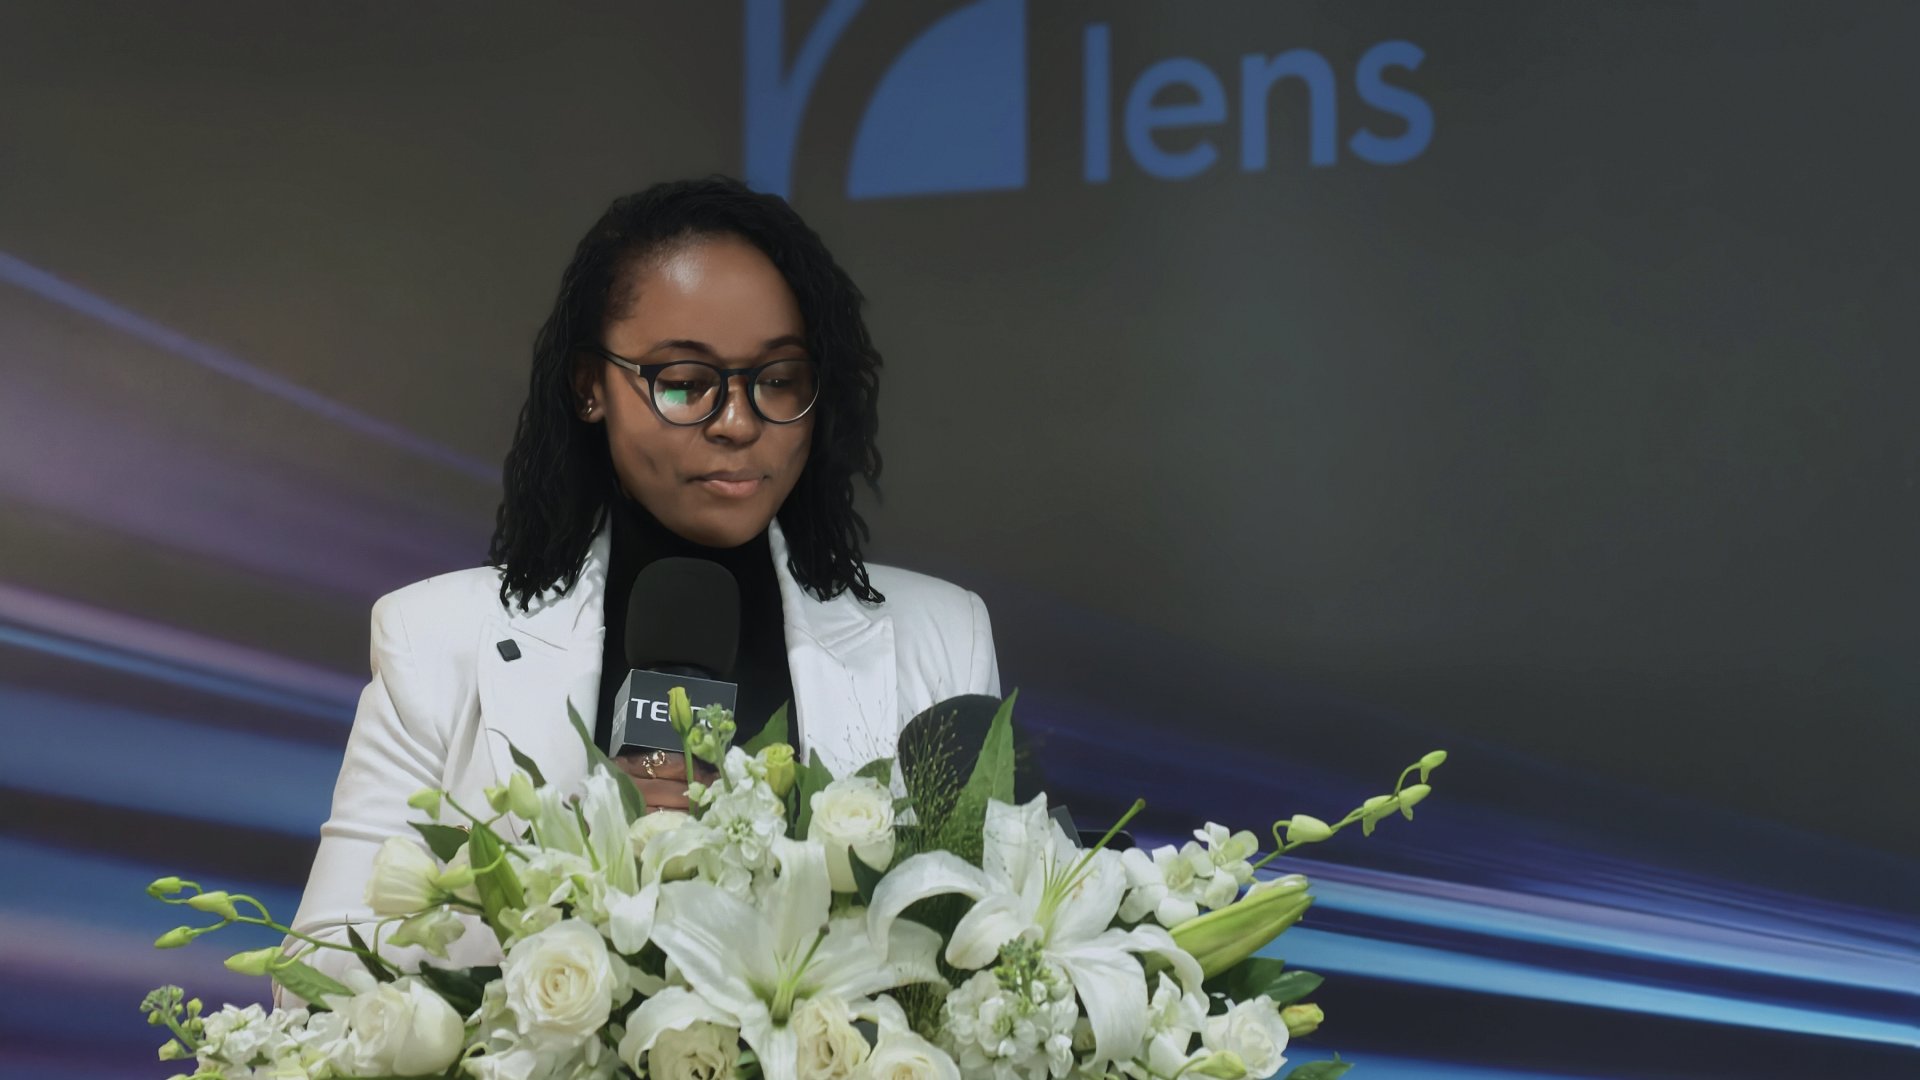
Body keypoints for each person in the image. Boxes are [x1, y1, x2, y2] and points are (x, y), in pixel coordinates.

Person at [284, 175, 1000, 981]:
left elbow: (993, 960)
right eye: (685, 382)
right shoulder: (436, 639)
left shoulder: (943, 637)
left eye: (778, 379)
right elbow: (318, 977)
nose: (738, 422)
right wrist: (575, 903)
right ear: (591, 386)